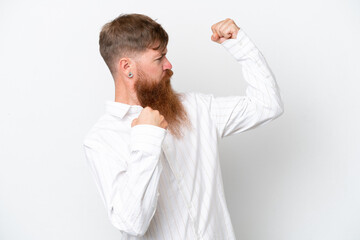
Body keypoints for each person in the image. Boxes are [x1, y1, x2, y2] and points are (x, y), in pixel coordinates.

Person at [83, 13, 284, 240]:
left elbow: (267, 105)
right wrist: (146, 139)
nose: (168, 65)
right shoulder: (101, 140)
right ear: (127, 66)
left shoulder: (196, 108)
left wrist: (240, 46)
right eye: (159, 58)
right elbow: (132, 223)